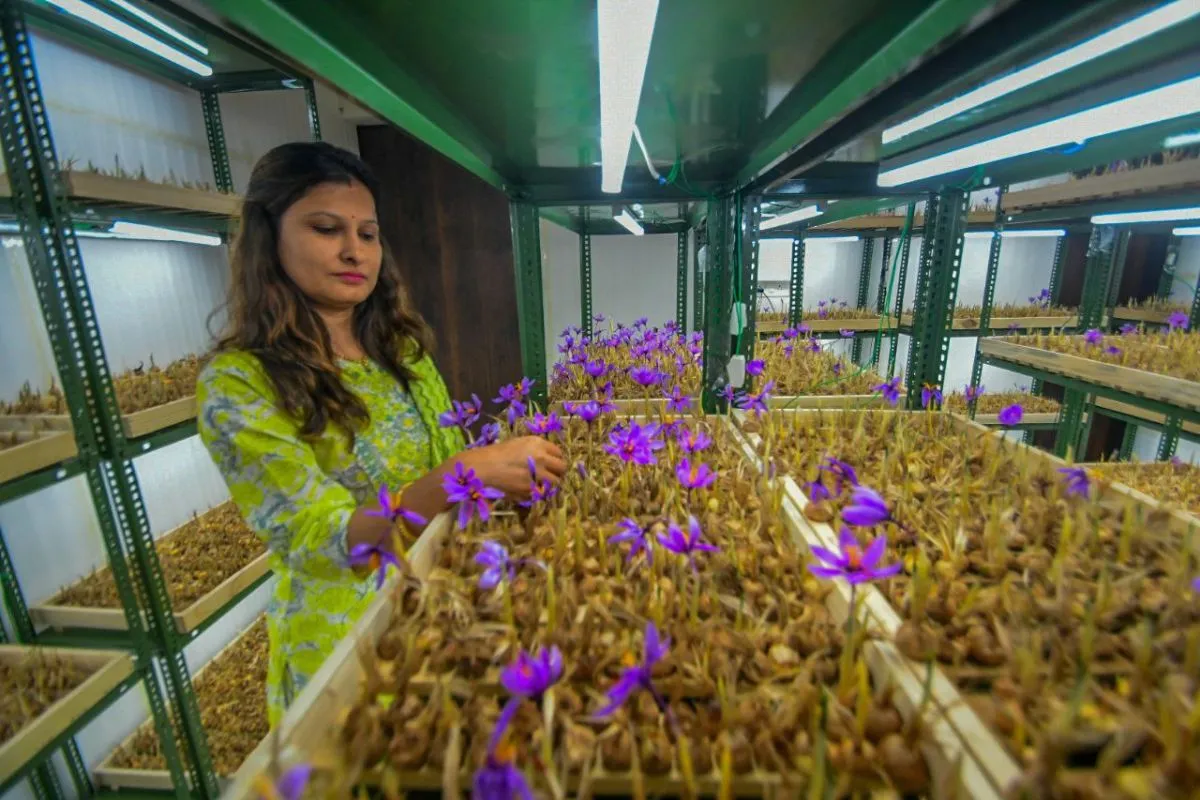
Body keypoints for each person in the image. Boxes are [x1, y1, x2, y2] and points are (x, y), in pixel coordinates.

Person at [197, 142, 565, 725]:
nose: (354, 250)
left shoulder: (400, 351)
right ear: (270, 237)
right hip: (356, 645)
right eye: (326, 228)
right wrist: (464, 473)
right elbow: (323, 542)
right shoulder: (240, 383)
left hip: (445, 605)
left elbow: (447, 463)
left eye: (368, 234)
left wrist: (503, 475)